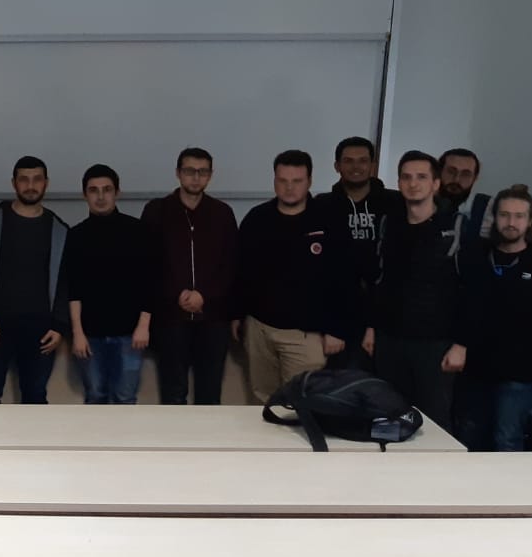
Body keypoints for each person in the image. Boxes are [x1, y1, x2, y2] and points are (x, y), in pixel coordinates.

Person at [233, 150, 352, 402]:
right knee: (263, 402)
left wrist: (337, 329)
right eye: (283, 180)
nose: (289, 187)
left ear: (309, 181)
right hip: (260, 330)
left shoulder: (328, 219)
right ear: (274, 180)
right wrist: (237, 315)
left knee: (304, 403)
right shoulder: (257, 218)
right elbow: (241, 271)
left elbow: (345, 277)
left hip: (306, 335)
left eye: (297, 181)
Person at [364, 150, 464, 431]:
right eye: (406, 177)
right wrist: (371, 327)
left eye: (421, 177)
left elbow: (471, 291)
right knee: (388, 418)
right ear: (398, 183)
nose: (413, 183)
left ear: (435, 183)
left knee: (433, 425)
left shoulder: (455, 227)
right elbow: (379, 281)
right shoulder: (389, 224)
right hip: (389, 340)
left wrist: (461, 344)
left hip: (435, 345)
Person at [453, 187, 532, 452]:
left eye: (519, 216)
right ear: (494, 217)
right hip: (477, 367)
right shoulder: (476, 255)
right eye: (505, 215)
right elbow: (466, 306)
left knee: (507, 439)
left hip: (521, 372)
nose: (511, 222)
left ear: (530, 221)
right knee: (469, 437)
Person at [141, 147, 237, 405]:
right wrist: (176, 293)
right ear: (178, 173)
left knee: (210, 393)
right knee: (173, 393)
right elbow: (149, 264)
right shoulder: (157, 210)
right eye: (189, 171)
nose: (196, 177)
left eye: (202, 172)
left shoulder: (222, 213)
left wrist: (204, 295)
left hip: (213, 317)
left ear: (210, 175)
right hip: (170, 317)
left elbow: (230, 265)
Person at [0, 156, 70, 405]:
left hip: (41, 332)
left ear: (46, 183)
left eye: (37, 179)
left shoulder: (59, 229)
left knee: (35, 399)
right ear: (14, 183)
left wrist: (59, 326)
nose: (30, 185)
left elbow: (65, 282)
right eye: (24, 179)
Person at [62, 164, 152, 405]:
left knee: (125, 397)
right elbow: (74, 289)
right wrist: (77, 333)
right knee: (95, 397)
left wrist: (144, 326)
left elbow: (148, 281)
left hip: (130, 334)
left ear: (117, 193)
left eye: (107, 189)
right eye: (94, 190)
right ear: (84, 195)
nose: (100, 196)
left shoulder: (137, 231)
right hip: (90, 335)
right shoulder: (76, 235)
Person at [321, 136, 404, 369]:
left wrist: (375, 323)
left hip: (386, 316)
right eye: (348, 161)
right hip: (339, 316)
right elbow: (319, 271)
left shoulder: (396, 203)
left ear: (373, 165)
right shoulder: (323, 205)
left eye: (362, 160)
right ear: (337, 166)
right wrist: (330, 325)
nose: (356, 167)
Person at [437, 147, 492, 246]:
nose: (457, 179)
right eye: (451, 171)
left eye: (465, 174)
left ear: (475, 178)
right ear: (438, 172)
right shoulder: (418, 203)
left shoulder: (487, 207)